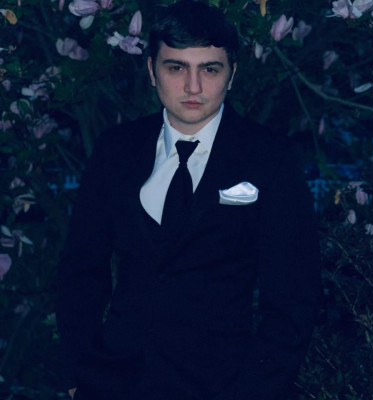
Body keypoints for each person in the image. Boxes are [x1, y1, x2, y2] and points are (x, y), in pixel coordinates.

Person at [56, 1, 320, 399]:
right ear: (152, 71)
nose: (193, 87)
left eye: (209, 69)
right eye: (176, 67)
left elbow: (293, 298)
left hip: (223, 387)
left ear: (232, 74)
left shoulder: (269, 158)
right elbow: (80, 270)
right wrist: (78, 375)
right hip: (114, 382)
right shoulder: (117, 150)